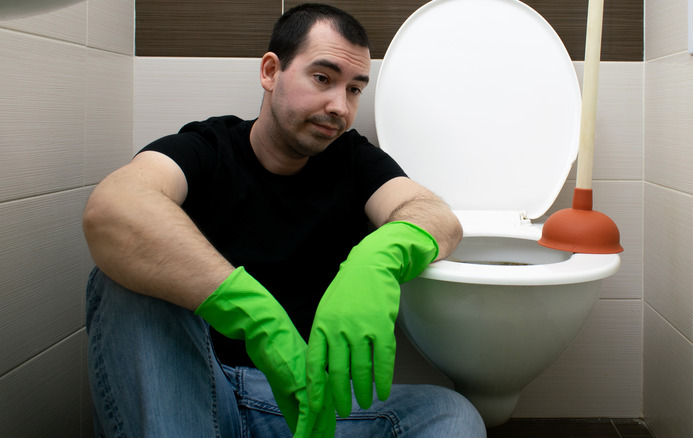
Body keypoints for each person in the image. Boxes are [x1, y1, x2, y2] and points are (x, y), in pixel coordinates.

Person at [82, 3, 486, 437]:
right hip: (191, 383)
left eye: (353, 90)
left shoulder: (353, 160)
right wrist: (257, 320)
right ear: (271, 72)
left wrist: (379, 259)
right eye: (323, 78)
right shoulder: (207, 147)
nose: (339, 107)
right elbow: (113, 207)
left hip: (298, 400)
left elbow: (438, 218)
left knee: (452, 414)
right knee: (122, 277)